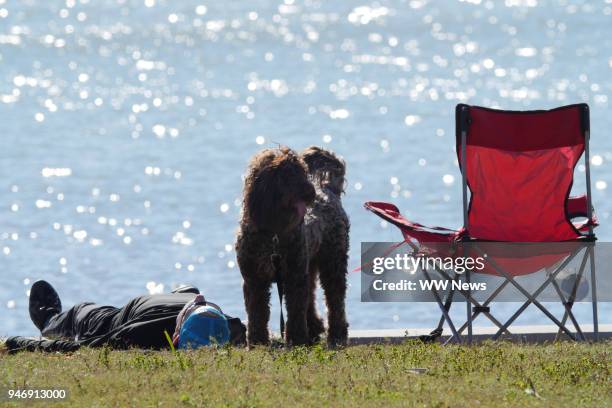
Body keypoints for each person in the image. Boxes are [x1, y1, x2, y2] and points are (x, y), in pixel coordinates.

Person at [3, 280, 245, 353]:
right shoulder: (139, 335)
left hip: (177, 299)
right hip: (116, 319)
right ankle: (49, 320)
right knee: (81, 313)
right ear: (175, 337)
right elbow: (79, 348)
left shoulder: (229, 325)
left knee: (189, 288)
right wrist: (17, 343)